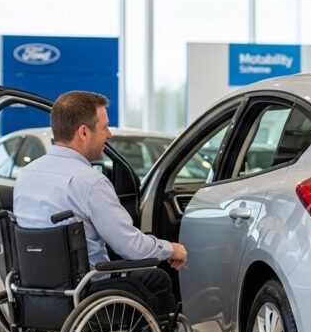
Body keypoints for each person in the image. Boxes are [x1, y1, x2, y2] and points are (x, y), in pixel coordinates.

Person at [13, 91, 188, 297]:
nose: (109, 134)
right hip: (86, 294)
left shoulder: (25, 176)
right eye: (104, 127)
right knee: (157, 278)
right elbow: (131, 247)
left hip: (33, 294)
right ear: (84, 132)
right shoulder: (90, 183)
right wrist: (172, 248)